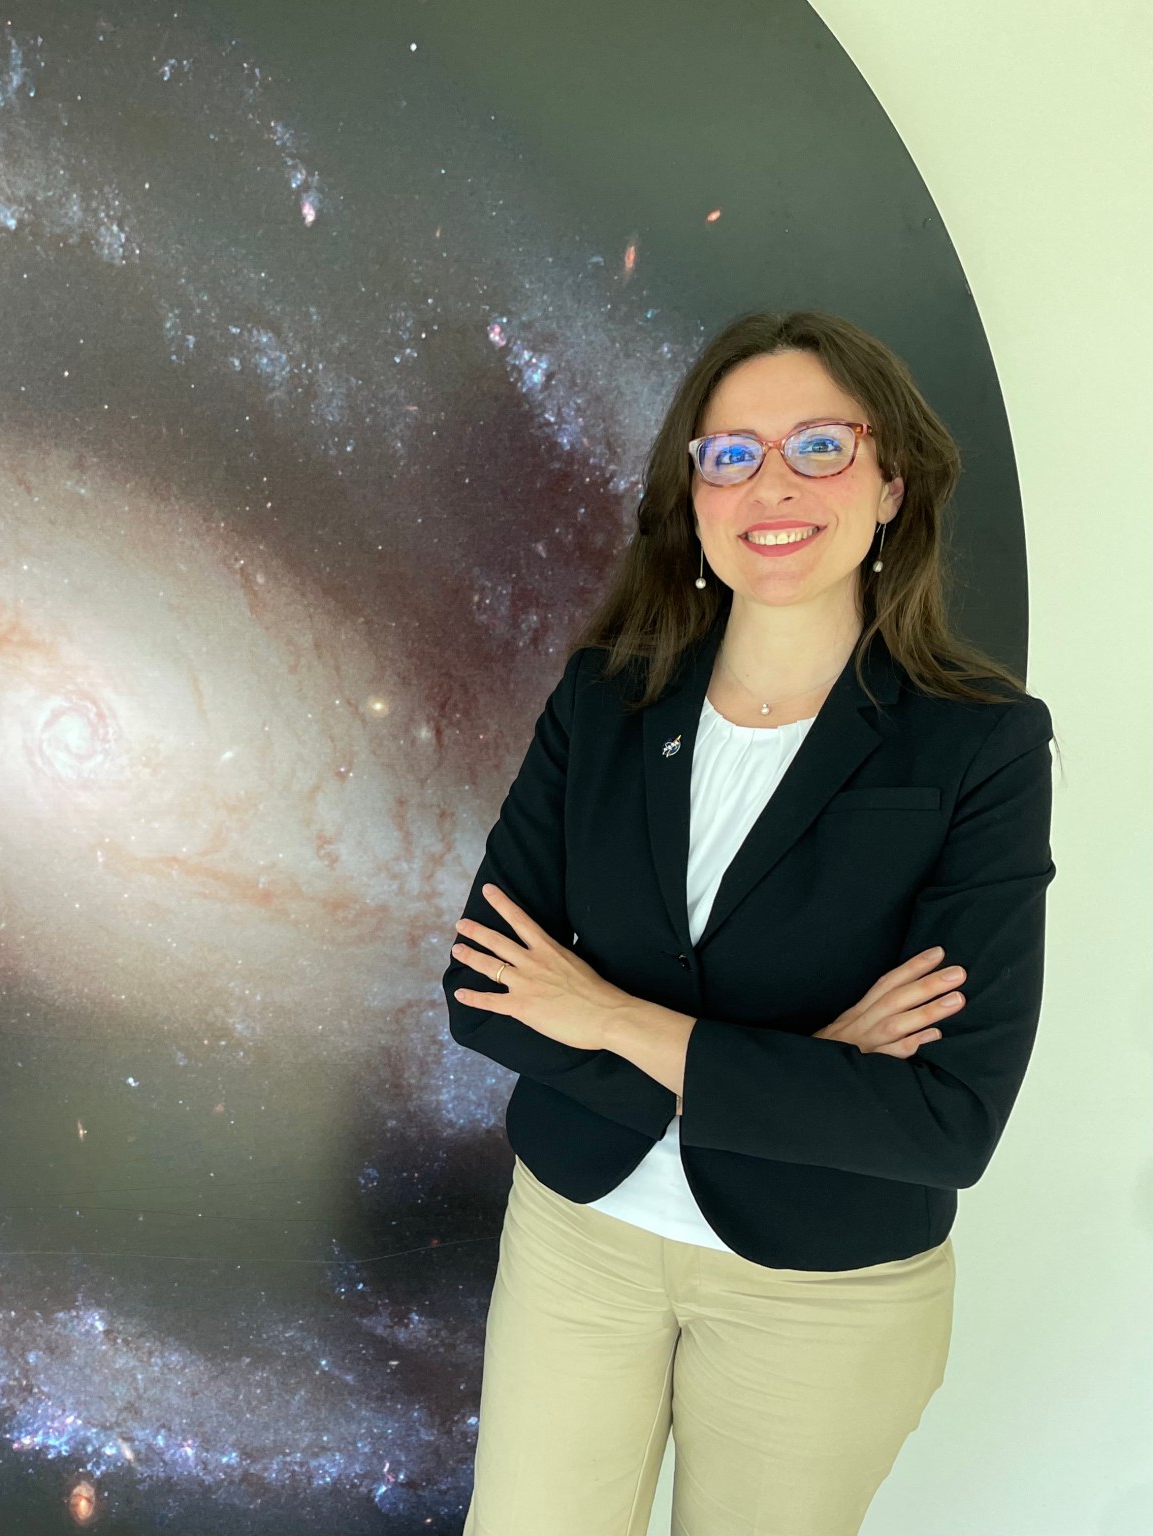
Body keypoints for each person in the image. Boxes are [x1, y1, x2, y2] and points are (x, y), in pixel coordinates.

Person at [443, 309, 1056, 1536]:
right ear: (692, 491)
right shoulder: (603, 700)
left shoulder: (979, 744)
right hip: (580, 1236)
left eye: (818, 446)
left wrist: (609, 1016)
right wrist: (806, 1070)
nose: (768, 483)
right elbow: (484, 996)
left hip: (817, 1289)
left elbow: (943, 1124)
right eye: (729, 453)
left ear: (889, 484)